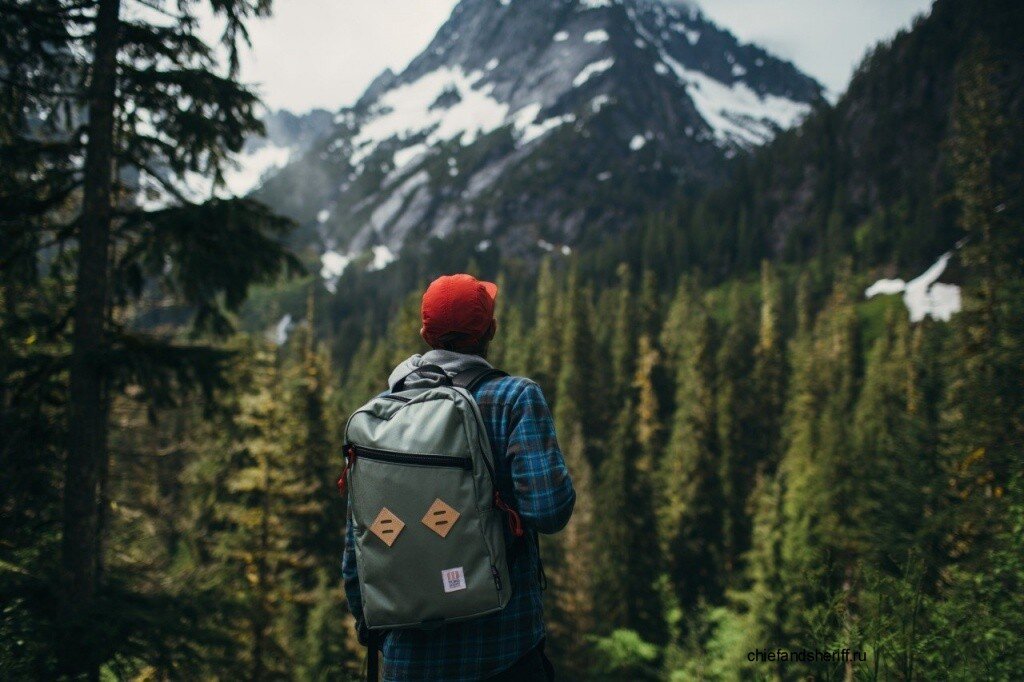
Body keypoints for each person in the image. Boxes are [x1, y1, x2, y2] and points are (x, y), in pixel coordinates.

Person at [342, 273, 576, 681]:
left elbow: (357, 548)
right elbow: (549, 510)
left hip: (409, 660)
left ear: (424, 332)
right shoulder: (514, 398)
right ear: (491, 330)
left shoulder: (380, 414)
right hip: (505, 650)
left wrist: (372, 627)